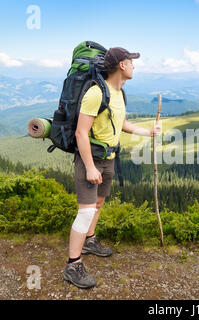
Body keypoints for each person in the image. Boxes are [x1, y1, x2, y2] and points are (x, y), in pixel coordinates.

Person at [63, 47, 161, 289]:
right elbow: (81, 132)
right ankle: (72, 265)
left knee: (98, 204)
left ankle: (90, 240)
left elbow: (123, 123)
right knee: (85, 211)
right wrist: (89, 167)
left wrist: (147, 132)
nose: (134, 66)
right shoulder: (96, 93)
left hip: (109, 158)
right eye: (131, 62)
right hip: (92, 159)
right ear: (121, 65)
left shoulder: (119, 93)